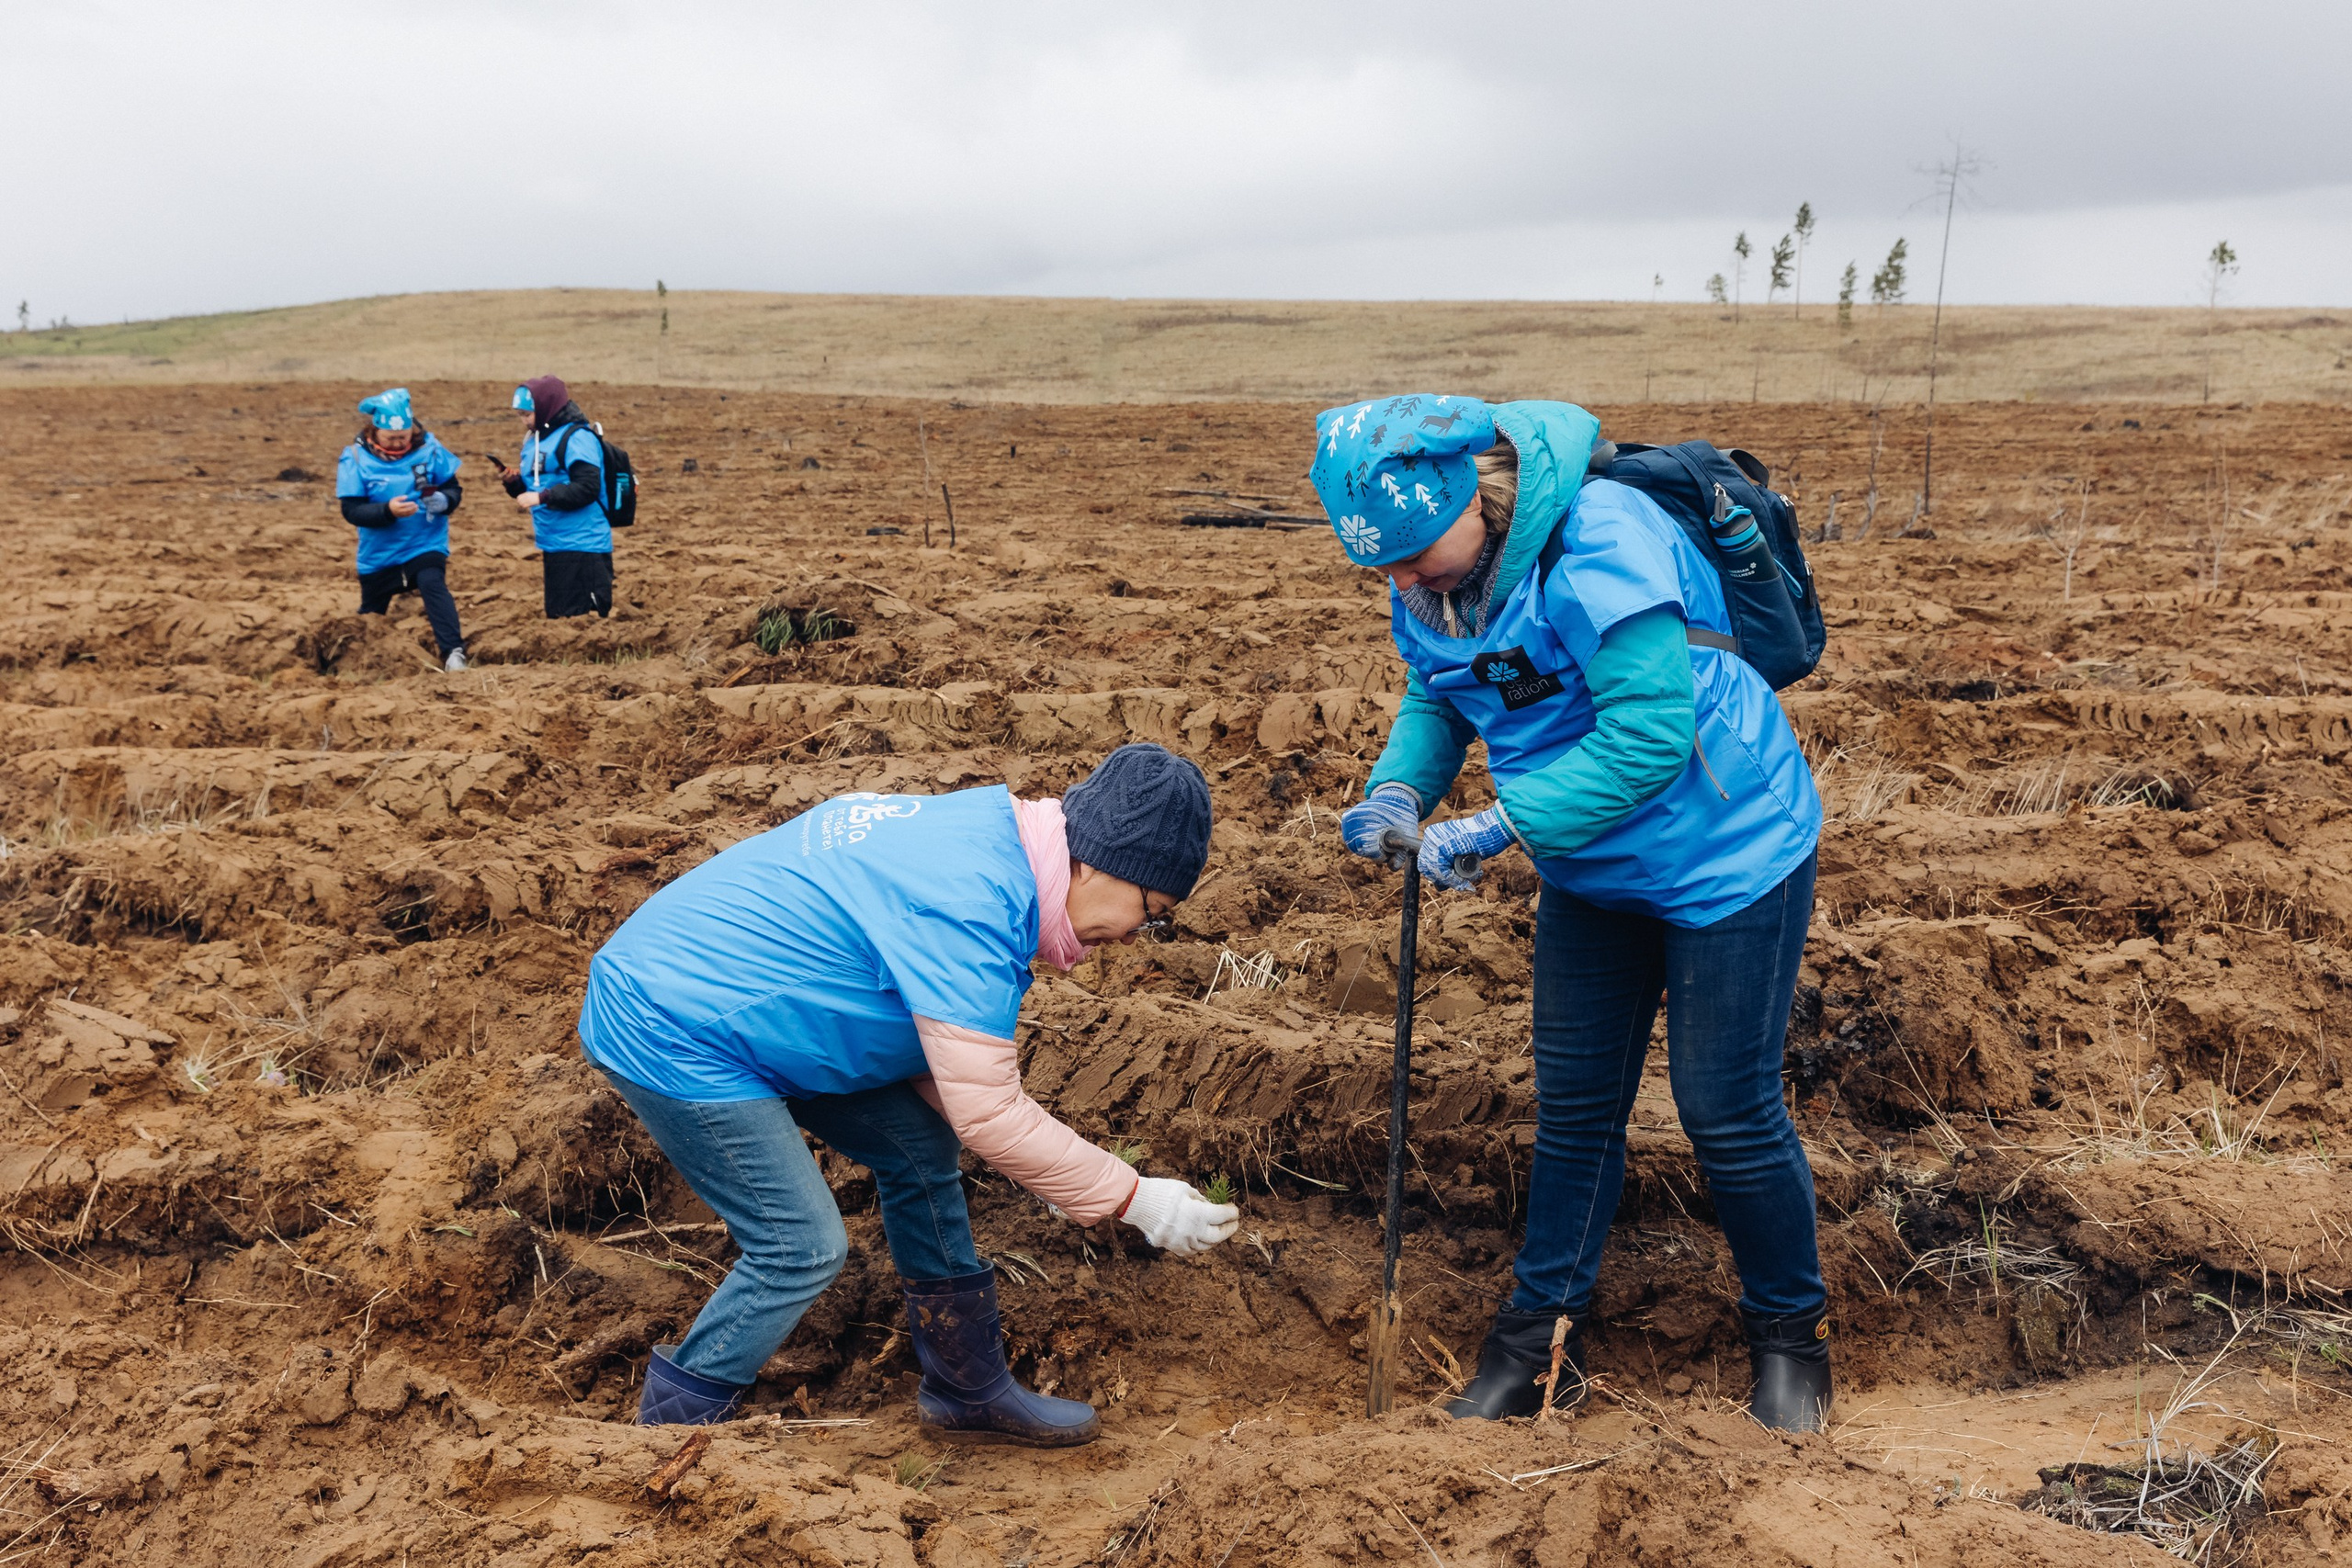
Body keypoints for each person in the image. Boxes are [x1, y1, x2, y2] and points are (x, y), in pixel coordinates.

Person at [1312, 395, 1830, 1430]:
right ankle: (1535, 1350)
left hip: (1727, 852)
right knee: (1575, 1115)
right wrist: (1402, 790)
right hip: (1593, 871)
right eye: (1384, 566)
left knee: (1724, 1112)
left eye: (1416, 552)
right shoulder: (1431, 579)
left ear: (1478, 498)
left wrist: (1499, 825)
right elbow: (1440, 691)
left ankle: (1792, 1343)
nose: (1402, 581)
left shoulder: (1599, 536)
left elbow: (1647, 735)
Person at [579, 743, 1240, 1438]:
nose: (1140, 936)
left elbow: (944, 1068)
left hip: (756, 1009)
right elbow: (988, 1110)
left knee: (919, 1144)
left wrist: (1056, 1173)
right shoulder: (974, 900)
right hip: (675, 1022)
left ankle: (966, 1385)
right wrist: (1137, 1199)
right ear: (1102, 863)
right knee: (798, 1245)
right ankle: (667, 1435)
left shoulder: (989, 843)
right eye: (1153, 910)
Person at [334, 388, 469, 672]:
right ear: (375, 432)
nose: (397, 444)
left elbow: (453, 488)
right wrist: (386, 511)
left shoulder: (430, 449)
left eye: (403, 437)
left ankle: (453, 653)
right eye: (390, 438)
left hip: (424, 542)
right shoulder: (355, 458)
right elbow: (351, 511)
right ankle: (349, 664)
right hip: (379, 555)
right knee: (371, 616)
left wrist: (444, 501)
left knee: (433, 583)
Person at [498, 374, 614, 618]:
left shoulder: (578, 438)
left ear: (546, 407)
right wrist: (515, 484)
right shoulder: (535, 440)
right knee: (559, 618)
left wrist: (542, 497)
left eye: (527, 414)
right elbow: (535, 487)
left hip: (584, 545)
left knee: (584, 622)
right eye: (520, 415)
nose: (523, 421)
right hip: (554, 543)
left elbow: (587, 487)